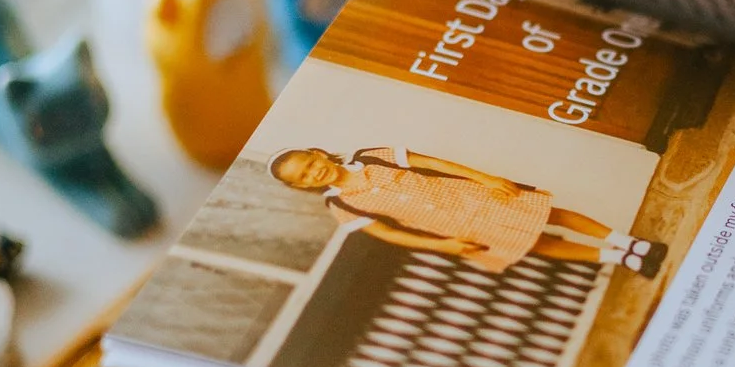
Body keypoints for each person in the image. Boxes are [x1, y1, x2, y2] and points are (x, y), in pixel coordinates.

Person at [267, 146, 666, 278]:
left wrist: (486, 178)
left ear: (317, 153)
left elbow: (435, 163)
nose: (314, 172)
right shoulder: (339, 205)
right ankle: (620, 258)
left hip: (474, 197)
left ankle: (629, 242)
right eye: (305, 177)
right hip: (459, 227)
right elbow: (389, 233)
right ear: (303, 186)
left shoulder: (370, 155)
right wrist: (444, 246)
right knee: (537, 245)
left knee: (551, 216)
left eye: (310, 163)